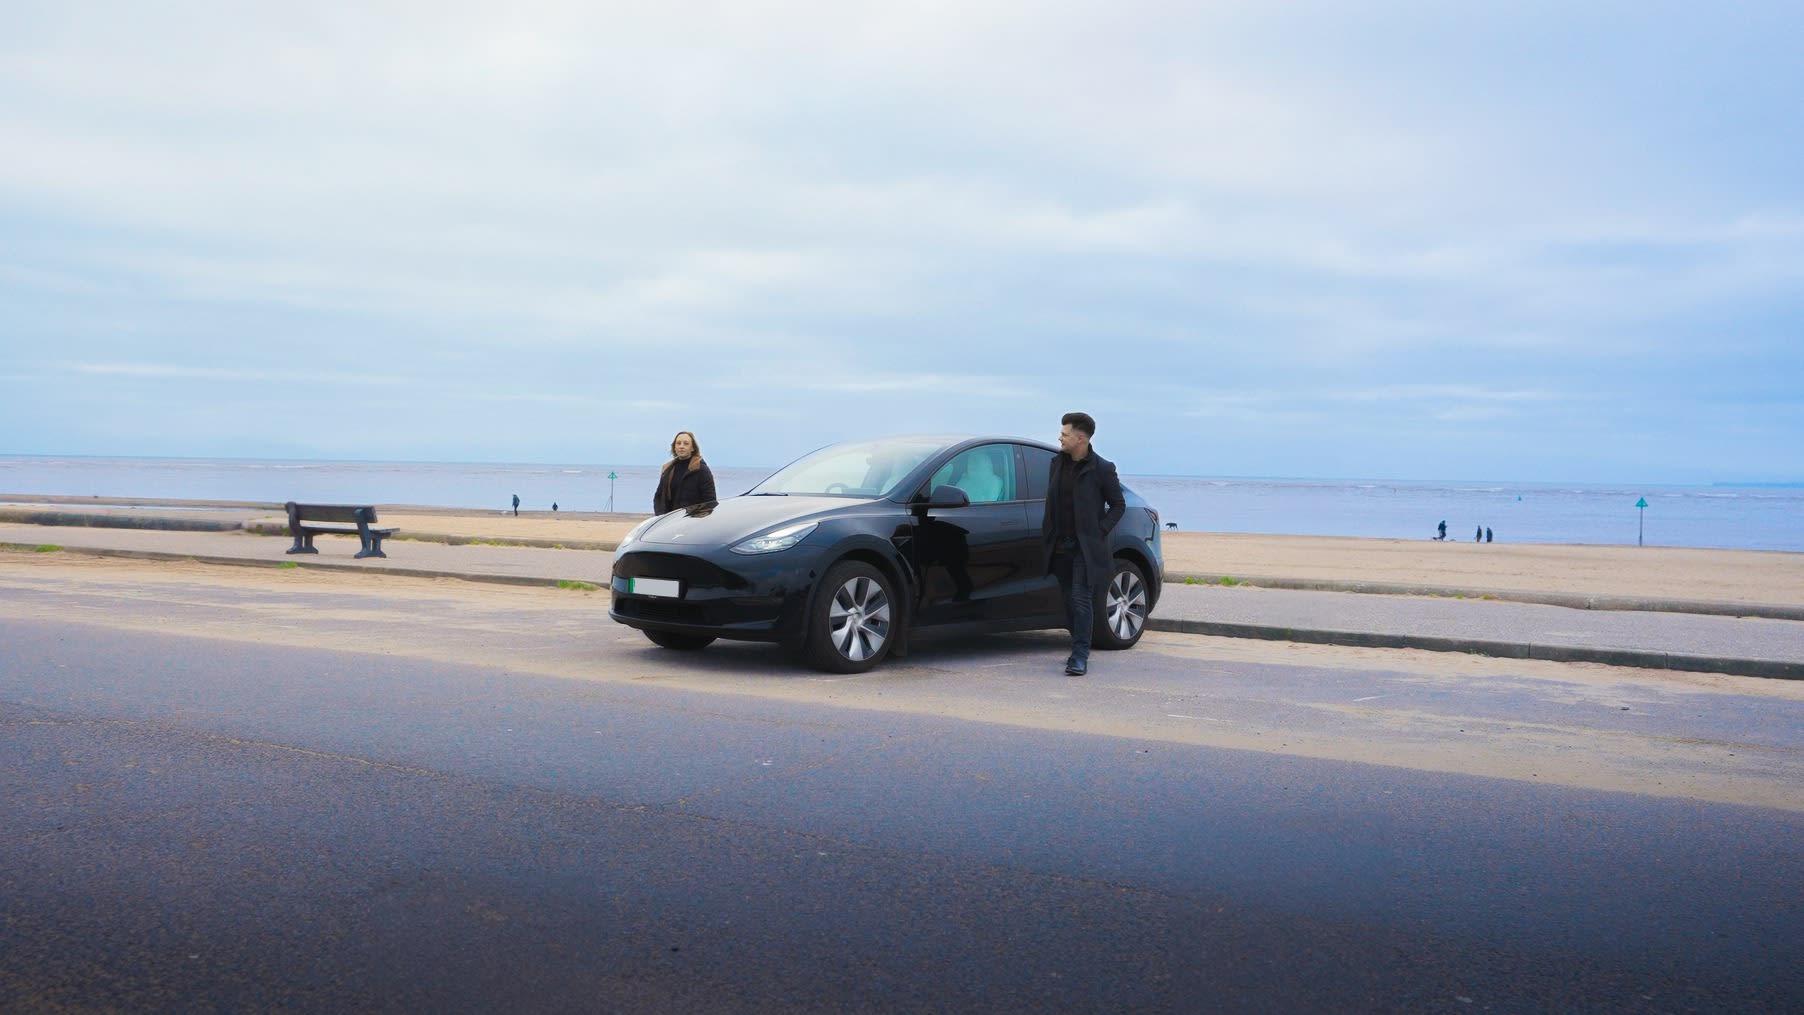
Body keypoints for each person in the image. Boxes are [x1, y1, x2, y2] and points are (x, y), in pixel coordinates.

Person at [1040, 411, 1124, 677]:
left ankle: (1079, 656)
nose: (1059, 438)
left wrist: (1100, 530)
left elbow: (1118, 506)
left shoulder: (1102, 469)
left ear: (1080, 439)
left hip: (1085, 548)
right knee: (1067, 599)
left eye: (1064, 434)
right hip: (1059, 545)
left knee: (1080, 598)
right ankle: (1079, 643)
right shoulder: (1056, 464)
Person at [654, 430, 717, 514]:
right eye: (678, 443)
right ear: (674, 447)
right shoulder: (668, 469)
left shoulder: (701, 469)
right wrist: (660, 516)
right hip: (669, 521)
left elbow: (710, 501)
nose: (681, 446)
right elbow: (659, 497)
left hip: (693, 522)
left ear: (693, 448)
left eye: (686, 443)